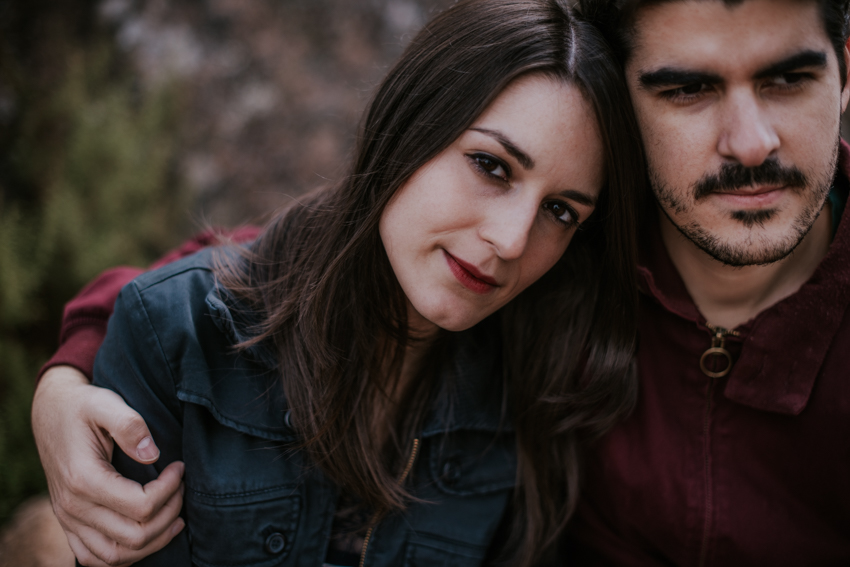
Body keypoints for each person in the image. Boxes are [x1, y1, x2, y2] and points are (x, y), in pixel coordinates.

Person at [31, 0, 646, 565]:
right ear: (407, 128)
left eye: (561, 211)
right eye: (491, 165)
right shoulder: (177, 336)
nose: (511, 242)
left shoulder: (534, 396)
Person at [562, 0, 850, 564]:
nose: (750, 144)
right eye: (688, 90)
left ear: (845, 76)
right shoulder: (547, 253)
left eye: (789, 79)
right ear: (616, 100)